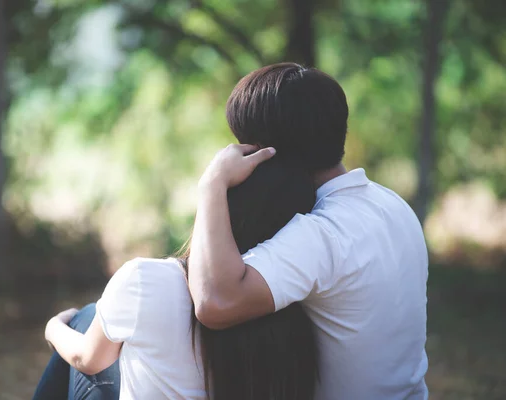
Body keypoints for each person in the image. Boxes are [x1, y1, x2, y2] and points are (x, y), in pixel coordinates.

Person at [32, 69, 322, 399]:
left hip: (101, 340)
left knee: (84, 321)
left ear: (222, 208)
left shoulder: (146, 281)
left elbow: (86, 358)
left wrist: (55, 326)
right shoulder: (302, 299)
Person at [188, 63, 429, 400]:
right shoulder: (392, 204)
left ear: (261, 152)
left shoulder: (323, 234)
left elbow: (214, 303)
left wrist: (211, 185)